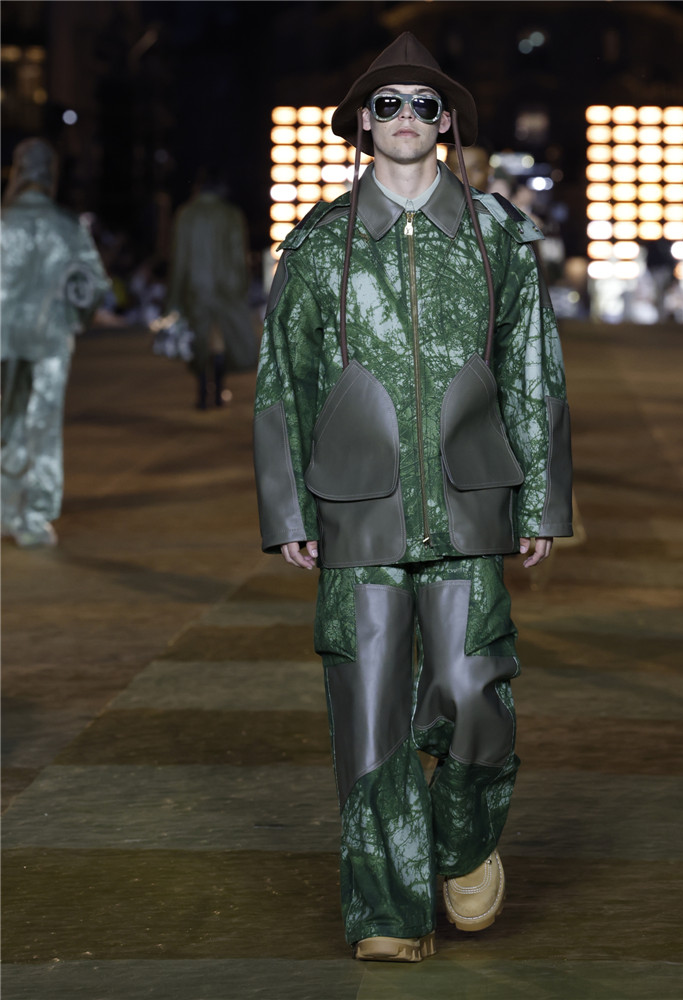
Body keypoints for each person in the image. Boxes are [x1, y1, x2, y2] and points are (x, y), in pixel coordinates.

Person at [253, 32, 572, 962]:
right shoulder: (318, 243)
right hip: (356, 507)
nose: (405, 117)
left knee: (476, 695)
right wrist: (287, 510)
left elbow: (533, 366)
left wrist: (542, 501)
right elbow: (282, 380)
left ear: (446, 120)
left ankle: (463, 838)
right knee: (369, 715)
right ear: (364, 121)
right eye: (387, 103)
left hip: (471, 501)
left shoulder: (498, 236)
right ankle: (389, 912)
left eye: (423, 104)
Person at [1, 138, 110, 547]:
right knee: (42, 425)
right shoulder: (67, 226)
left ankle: (5, 507)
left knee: (8, 420)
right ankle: (34, 515)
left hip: (4, 338)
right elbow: (93, 286)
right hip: (48, 340)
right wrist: (74, 315)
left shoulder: (3, 222)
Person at [166, 172, 258, 408]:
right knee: (221, 340)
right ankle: (218, 390)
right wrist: (242, 286)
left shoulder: (186, 214)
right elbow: (239, 255)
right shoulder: (231, 214)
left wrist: (173, 297)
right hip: (227, 287)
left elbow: (179, 258)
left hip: (196, 287)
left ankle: (202, 393)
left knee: (199, 339)